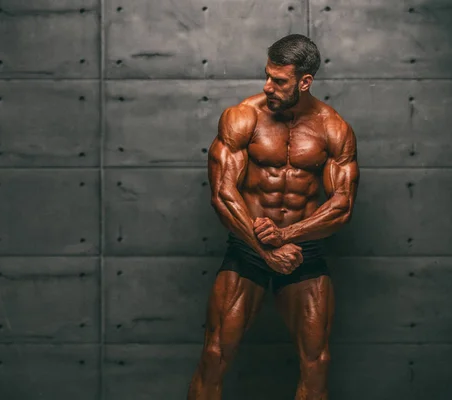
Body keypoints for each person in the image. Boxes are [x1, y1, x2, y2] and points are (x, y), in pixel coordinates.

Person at [187, 34, 360, 400]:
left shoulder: (333, 128)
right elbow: (222, 194)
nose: (268, 86)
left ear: (304, 82)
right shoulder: (242, 117)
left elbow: (342, 206)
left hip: (303, 251)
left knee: (317, 362)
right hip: (248, 247)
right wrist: (265, 249)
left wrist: (287, 235)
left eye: (279, 81)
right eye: (267, 75)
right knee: (215, 355)